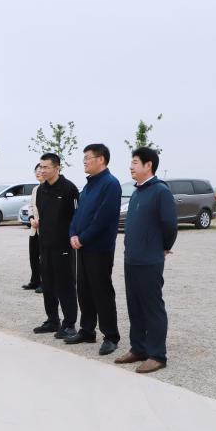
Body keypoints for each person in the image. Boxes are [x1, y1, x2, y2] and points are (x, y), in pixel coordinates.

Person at [116, 147, 178, 373]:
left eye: (135, 162)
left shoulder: (160, 191)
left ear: (148, 165)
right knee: (135, 305)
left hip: (149, 259)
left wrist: (164, 247)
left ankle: (157, 355)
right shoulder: (137, 192)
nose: (131, 166)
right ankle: (139, 348)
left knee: (152, 307)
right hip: (132, 258)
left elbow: (170, 224)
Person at [66, 143, 122, 355]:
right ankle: (87, 330)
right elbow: (78, 213)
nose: (84, 162)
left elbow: (103, 218)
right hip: (82, 245)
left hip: (99, 247)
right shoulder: (89, 185)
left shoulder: (110, 184)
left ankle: (111, 336)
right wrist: (73, 233)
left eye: (87, 158)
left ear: (101, 159)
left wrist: (83, 238)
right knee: (84, 289)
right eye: (84, 159)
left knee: (102, 291)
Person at [32, 153, 79, 339]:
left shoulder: (69, 189)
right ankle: (52, 320)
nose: (42, 170)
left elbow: (77, 216)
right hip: (45, 245)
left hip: (64, 247)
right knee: (48, 285)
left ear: (57, 168)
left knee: (65, 285)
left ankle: (69, 324)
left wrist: (74, 236)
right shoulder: (41, 190)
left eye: (46, 167)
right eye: (41, 167)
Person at [22, 164, 44, 292]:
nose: (38, 173)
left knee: (44, 258)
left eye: (41, 170)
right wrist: (31, 219)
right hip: (34, 228)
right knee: (33, 256)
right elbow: (31, 206)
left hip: (44, 229)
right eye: (36, 171)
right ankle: (35, 281)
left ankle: (45, 283)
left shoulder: (50, 189)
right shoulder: (35, 189)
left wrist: (40, 221)